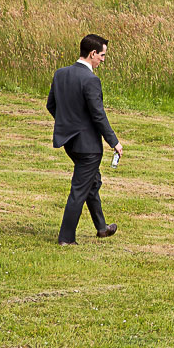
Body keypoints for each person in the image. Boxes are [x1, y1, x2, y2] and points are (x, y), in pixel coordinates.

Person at [46, 34, 124, 245]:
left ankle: (102, 228)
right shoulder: (91, 80)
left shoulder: (60, 74)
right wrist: (114, 142)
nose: (103, 60)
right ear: (92, 53)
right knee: (79, 189)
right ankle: (66, 238)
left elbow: (51, 106)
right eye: (102, 55)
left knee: (92, 182)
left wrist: (67, 124)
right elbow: (98, 115)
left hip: (69, 143)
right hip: (88, 146)